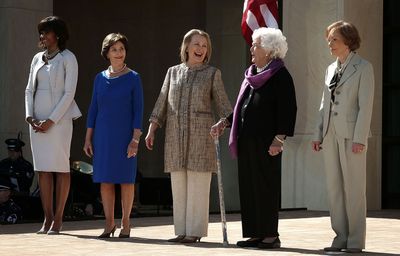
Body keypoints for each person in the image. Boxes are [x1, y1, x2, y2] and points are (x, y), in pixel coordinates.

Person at [211, 27, 297, 249]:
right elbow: (243, 108)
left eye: (256, 44)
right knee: (249, 186)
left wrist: (279, 139)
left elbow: (288, 109)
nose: (251, 47)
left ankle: (270, 234)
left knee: (265, 187)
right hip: (246, 140)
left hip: (267, 142)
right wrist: (225, 122)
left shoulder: (280, 75)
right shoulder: (252, 75)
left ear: (269, 50)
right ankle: (255, 233)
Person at [145, 29, 232, 243]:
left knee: (198, 185)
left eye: (204, 45)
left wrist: (225, 123)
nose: (201, 49)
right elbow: (162, 102)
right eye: (197, 44)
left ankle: (195, 231)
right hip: (175, 136)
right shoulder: (172, 72)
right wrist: (152, 128)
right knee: (179, 185)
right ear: (186, 47)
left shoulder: (212, 73)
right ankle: (181, 231)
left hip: (201, 138)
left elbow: (225, 107)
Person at [311, 21, 374, 253]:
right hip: (330, 136)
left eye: (334, 39)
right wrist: (318, 133)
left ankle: (355, 241)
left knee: (354, 190)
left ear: (348, 40)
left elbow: (365, 106)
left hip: (351, 137)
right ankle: (340, 238)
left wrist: (360, 139)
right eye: (329, 39)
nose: (330, 43)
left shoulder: (364, 67)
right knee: (335, 190)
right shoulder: (330, 69)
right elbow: (323, 105)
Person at [25, 16, 81, 234]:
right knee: (43, 170)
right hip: (36, 120)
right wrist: (30, 116)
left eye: (47, 32)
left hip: (59, 121)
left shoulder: (69, 58)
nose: (43, 36)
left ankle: (58, 218)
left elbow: (69, 93)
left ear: (57, 34)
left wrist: (51, 120)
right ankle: (46, 218)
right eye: (41, 33)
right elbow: (29, 90)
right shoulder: (36, 58)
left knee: (60, 167)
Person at [84, 33, 144, 239]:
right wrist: (88, 137)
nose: (119, 53)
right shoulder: (99, 78)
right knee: (106, 180)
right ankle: (109, 223)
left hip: (126, 136)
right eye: (114, 49)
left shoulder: (134, 77)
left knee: (126, 180)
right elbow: (93, 109)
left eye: (121, 49)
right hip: (103, 136)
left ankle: (126, 223)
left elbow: (139, 111)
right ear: (107, 53)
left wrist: (135, 140)